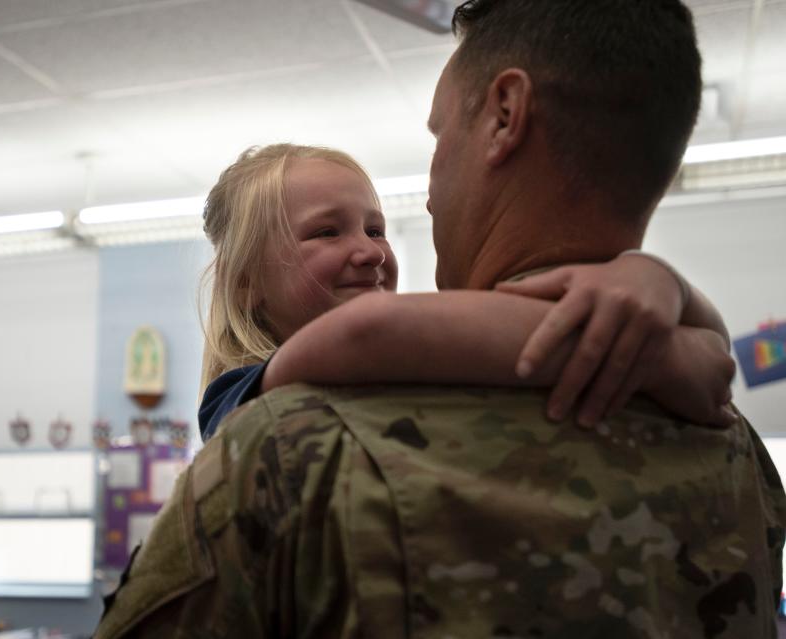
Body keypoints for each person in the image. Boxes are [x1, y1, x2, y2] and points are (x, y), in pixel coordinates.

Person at [95, 1, 786, 638]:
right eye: (325, 233)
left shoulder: (286, 453)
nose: (417, 202)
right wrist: (661, 340)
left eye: (437, 134)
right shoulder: (733, 444)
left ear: (505, 114)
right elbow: (370, 335)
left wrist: (658, 296)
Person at [197, 144, 734, 441]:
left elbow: (719, 352)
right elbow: (369, 334)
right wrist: (659, 355)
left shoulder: (399, 361)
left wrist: (664, 284)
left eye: (375, 229)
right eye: (327, 232)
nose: (371, 252)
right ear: (246, 284)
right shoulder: (233, 400)